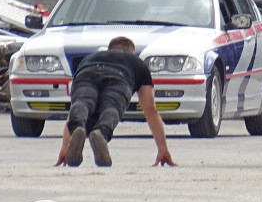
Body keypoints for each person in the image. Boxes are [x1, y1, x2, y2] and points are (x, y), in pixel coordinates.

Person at [54, 35, 177, 168]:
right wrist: (163, 148)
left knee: (82, 103)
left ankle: (77, 128)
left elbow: (72, 110)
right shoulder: (136, 62)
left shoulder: (90, 57)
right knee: (112, 106)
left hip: (87, 71)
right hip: (120, 75)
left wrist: (65, 147)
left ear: (110, 49)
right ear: (132, 52)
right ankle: (101, 132)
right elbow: (150, 110)